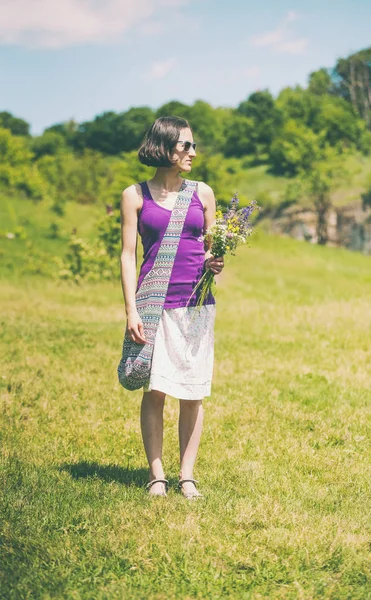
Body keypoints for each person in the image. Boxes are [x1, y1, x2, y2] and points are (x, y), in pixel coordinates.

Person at [119, 116, 224, 499]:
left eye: (194, 145)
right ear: (164, 148)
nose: (193, 152)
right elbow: (128, 256)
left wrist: (216, 261)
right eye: (186, 146)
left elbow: (212, 246)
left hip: (197, 303)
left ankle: (188, 476)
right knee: (157, 388)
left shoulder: (203, 193)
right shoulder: (135, 195)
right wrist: (131, 310)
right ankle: (157, 476)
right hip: (155, 304)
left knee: (192, 390)